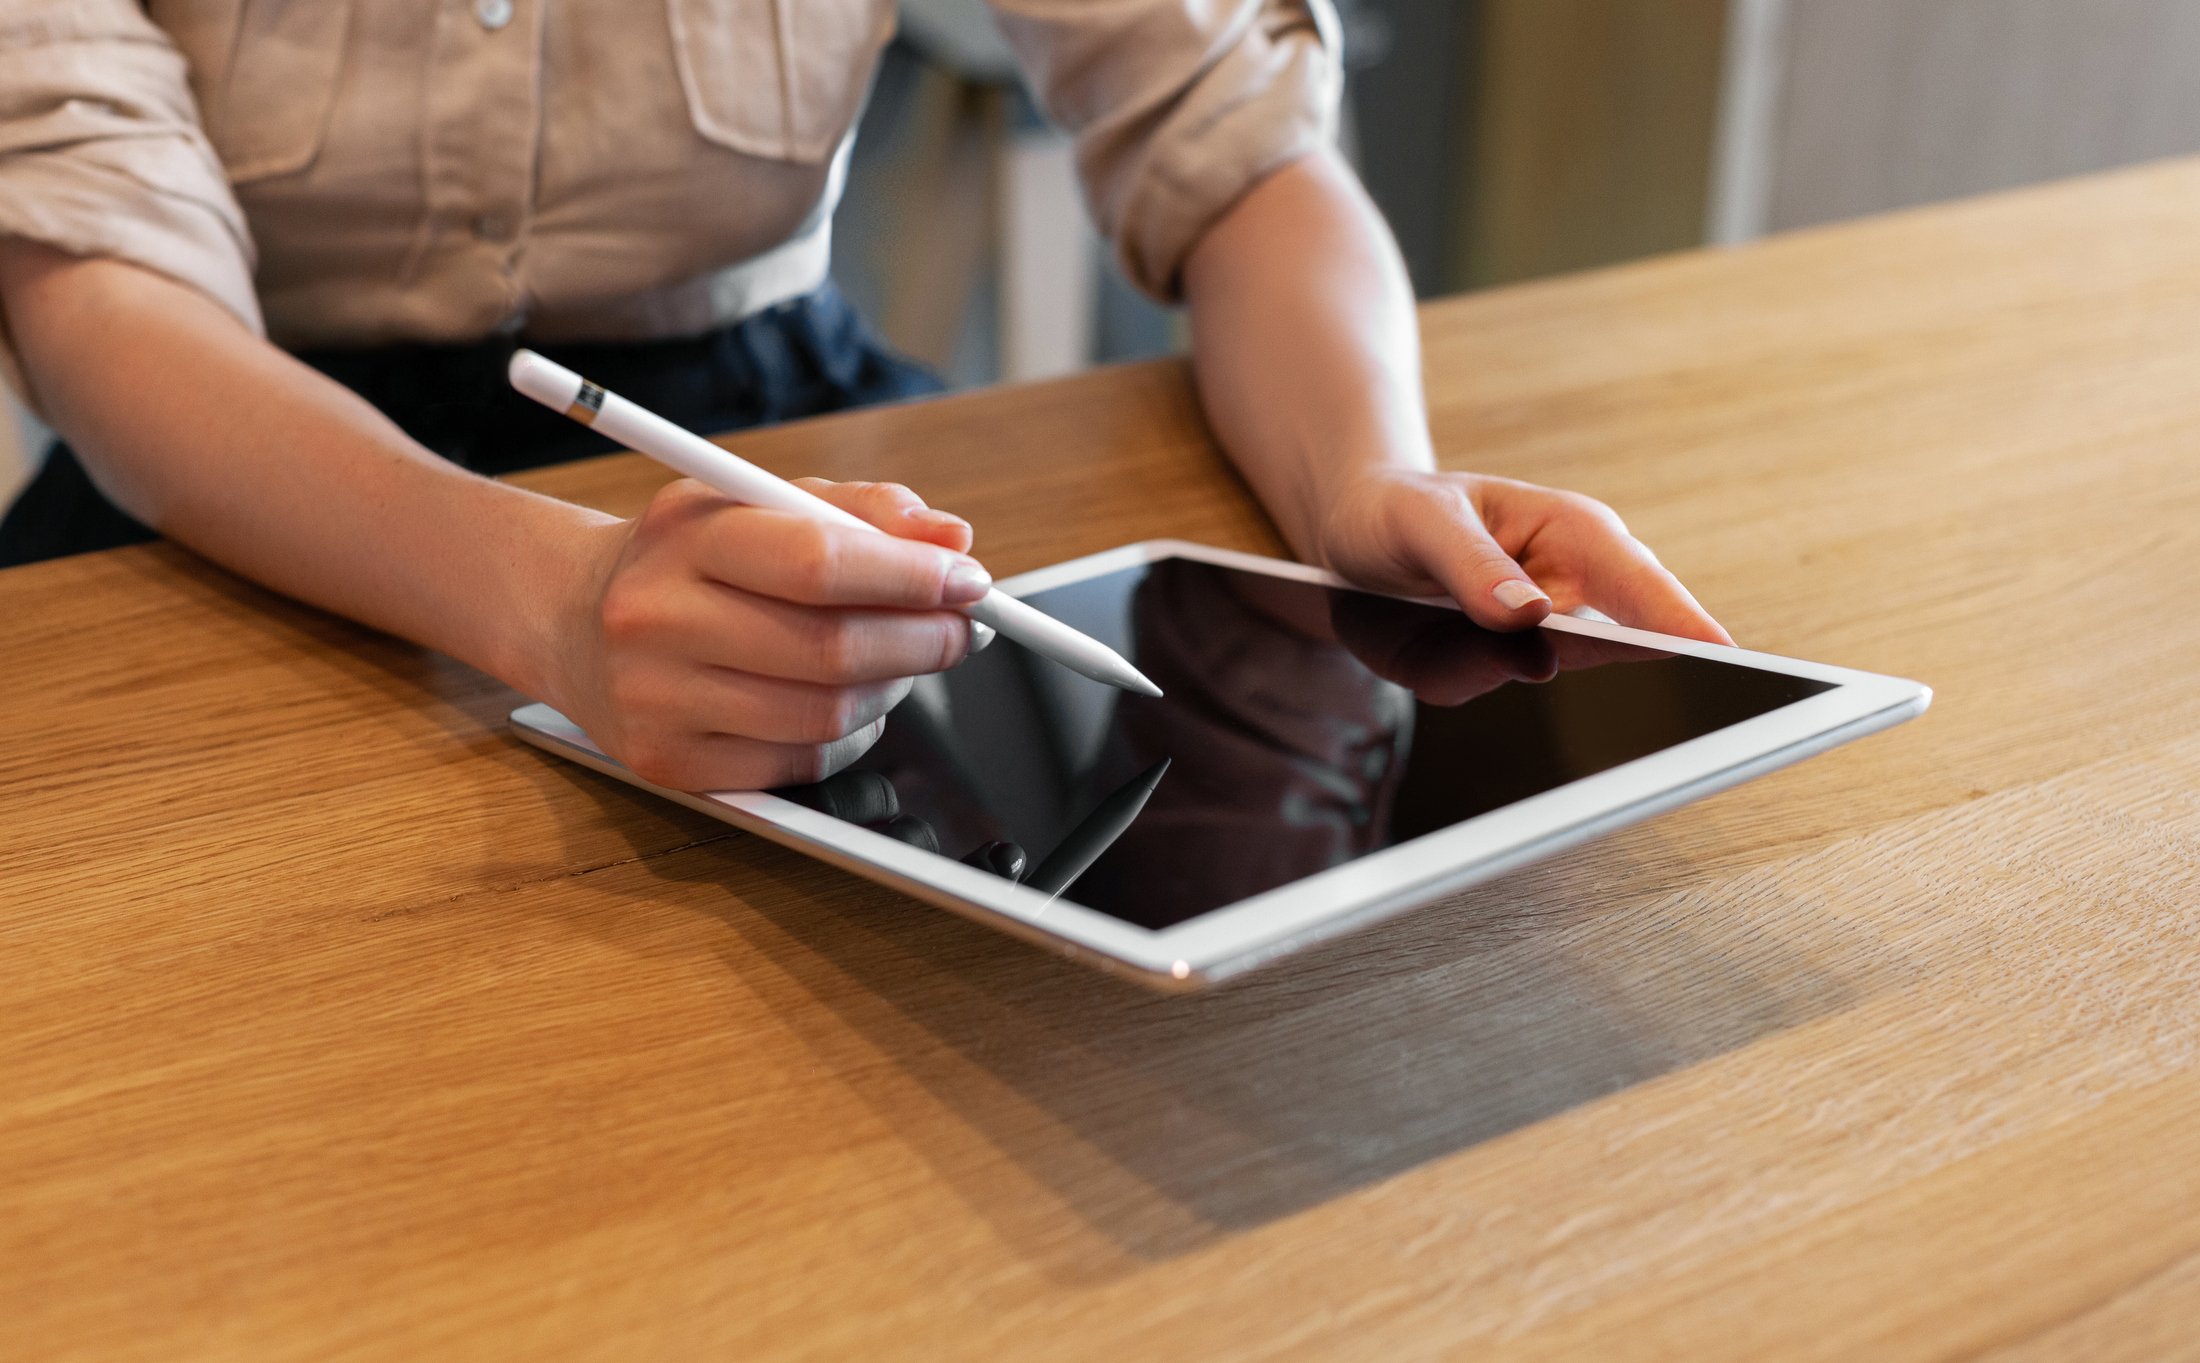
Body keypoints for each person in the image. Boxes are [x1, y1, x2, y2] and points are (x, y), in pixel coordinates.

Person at [0, 0, 1729, 794]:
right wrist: (551, 601)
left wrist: (1367, 473)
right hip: (218, 480)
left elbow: (1230, 129)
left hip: (771, 425)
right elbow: (100, 284)